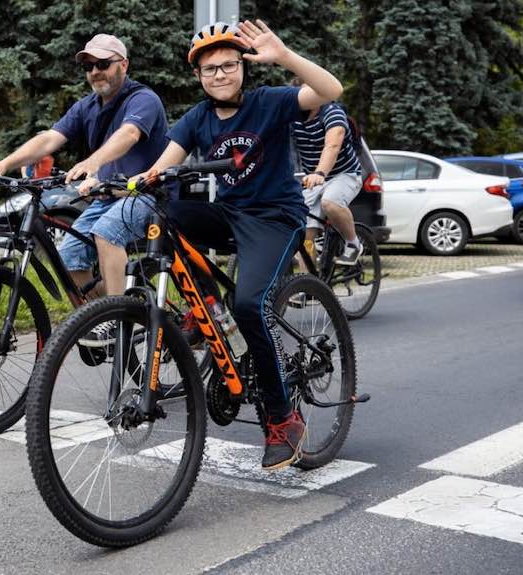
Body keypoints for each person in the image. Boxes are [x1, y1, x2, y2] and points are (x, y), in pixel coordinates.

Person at [138, 20, 343, 470]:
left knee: (251, 305)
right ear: (198, 76)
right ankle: (205, 309)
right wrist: (132, 180)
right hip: (230, 215)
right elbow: (164, 164)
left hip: (274, 217)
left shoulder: (270, 102)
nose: (220, 75)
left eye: (228, 65)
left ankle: (281, 417)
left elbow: (330, 90)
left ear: (242, 67)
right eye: (210, 69)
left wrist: (286, 55)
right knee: (164, 209)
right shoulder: (198, 117)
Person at [0, 34, 170, 306]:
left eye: (103, 64)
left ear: (124, 65)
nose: (95, 72)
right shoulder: (87, 106)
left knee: (107, 233)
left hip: (146, 194)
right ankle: (98, 319)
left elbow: (130, 134)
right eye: (89, 67)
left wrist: (92, 163)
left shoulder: (143, 99)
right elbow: (50, 138)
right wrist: (4, 164)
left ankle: (122, 320)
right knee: (70, 257)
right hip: (108, 197)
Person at [291, 79, 363, 265]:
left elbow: (332, 145)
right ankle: (309, 288)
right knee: (304, 236)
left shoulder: (333, 113)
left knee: (330, 202)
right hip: (313, 180)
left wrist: (320, 173)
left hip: (344, 174)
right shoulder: (294, 118)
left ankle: (353, 243)